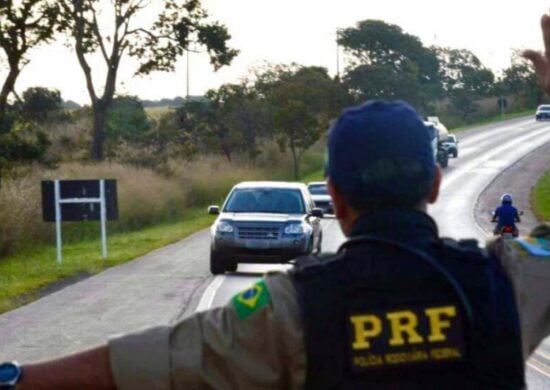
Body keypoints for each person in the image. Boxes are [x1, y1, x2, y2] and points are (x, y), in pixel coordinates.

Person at [3, 14, 550, 390]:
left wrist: (19, 378)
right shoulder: (507, 280)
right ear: (434, 184)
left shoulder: (289, 308)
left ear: (333, 195)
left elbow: (157, 359)